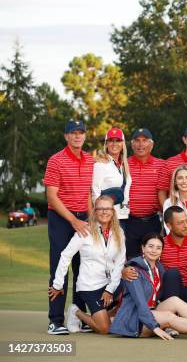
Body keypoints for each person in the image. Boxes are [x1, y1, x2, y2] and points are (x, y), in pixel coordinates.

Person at [110, 233, 187, 340]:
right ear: (143, 248)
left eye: (158, 248)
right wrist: (155, 327)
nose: (154, 250)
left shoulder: (158, 268)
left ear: (161, 251)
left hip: (150, 313)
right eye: (150, 246)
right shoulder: (134, 271)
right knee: (169, 317)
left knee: (174, 301)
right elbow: (140, 304)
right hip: (134, 321)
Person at [44, 119, 94, 335]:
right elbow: (51, 196)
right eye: (73, 133)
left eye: (80, 133)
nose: (77, 136)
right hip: (61, 219)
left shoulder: (90, 160)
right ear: (66, 136)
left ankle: (77, 317)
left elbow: (89, 195)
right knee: (59, 268)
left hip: (84, 218)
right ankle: (55, 320)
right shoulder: (56, 160)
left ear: (84, 136)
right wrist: (73, 221)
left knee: (82, 268)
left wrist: (91, 220)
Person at [49, 195, 125, 334]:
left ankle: (103, 316)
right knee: (105, 329)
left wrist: (109, 289)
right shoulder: (85, 231)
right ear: (94, 211)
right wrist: (58, 284)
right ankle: (77, 312)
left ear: (113, 212)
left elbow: (120, 263)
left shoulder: (119, 232)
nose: (104, 212)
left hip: (109, 286)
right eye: (100, 208)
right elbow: (65, 255)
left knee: (131, 284)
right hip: (90, 287)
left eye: (107, 208)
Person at [124, 206, 187, 319]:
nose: (186, 226)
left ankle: (178, 319)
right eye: (180, 223)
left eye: (186, 221)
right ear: (169, 226)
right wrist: (125, 270)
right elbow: (144, 263)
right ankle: (171, 318)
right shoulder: (161, 245)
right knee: (172, 274)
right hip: (168, 292)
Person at [125, 128, 165, 260]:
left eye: (144, 140)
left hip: (152, 222)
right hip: (129, 222)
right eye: (137, 140)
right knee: (130, 263)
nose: (141, 144)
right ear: (132, 144)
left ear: (151, 145)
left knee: (152, 262)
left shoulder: (162, 165)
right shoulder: (123, 165)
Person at [92, 128, 131, 223]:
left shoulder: (124, 165)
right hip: (107, 218)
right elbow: (95, 192)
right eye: (111, 141)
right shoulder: (100, 164)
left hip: (122, 216)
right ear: (106, 144)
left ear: (123, 144)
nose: (114, 144)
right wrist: (101, 215)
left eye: (118, 140)